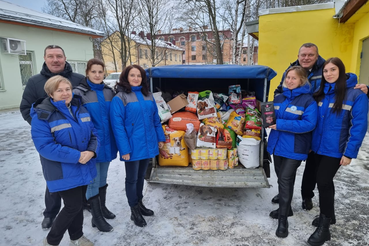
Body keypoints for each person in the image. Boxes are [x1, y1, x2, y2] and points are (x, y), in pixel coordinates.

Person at [272, 43, 368, 212]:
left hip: (324, 136)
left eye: (310, 55)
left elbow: (356, 122)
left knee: (317, 175)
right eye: (303, 55)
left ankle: (312, 203)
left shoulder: (333, 80)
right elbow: (280, 90)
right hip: (310, 135)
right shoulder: (294, 71)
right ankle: (291, 195)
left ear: (317, 56)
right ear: (298, 55)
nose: (306, 58)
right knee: (298, 171)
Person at [19, 45, 85, 230]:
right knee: (55, 177)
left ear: (65, 58)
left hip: (77, 139)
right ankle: (51, 212)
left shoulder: (79, 79)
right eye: (51, 56)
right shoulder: (35, 82)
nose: (55, 60)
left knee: (79, 172)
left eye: (59, 56)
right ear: (45, 58)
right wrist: (44, 131)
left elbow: (85, 104)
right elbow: (26, 109)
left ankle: (79, 205)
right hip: (51, 142)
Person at [307, 57, 368, 246]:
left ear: (341, 71)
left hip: (335, 149)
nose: (329, 74)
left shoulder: (356, 95)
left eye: (333, 70)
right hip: (316, 147)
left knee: (323, 181)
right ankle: (329, 215)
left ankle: (324, 228)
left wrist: (349, 153)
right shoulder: (320, 93)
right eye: (326, 71)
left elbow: (358, 126)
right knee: (324, 182)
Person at [30, 76, 98, 246]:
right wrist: (78, 156)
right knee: (72, 206)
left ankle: (76, 237)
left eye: (67, 89)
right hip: (62, 170)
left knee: (77, 205)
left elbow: (94, 133)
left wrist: (91, 151)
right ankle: (52, 241)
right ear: (50, 93)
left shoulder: (79, 108)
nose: (65, 93)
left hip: (83, 166)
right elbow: (45, 147)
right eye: (59, 90)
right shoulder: (42, 115)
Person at [110, 65, 165, 227]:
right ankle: (134, 210)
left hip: (147, 143)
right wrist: (125, 149)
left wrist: (160, 137)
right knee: (132, 179)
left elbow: (155, 119)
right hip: (132, 146)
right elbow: (117, 126)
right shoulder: (120, 98)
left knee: (142, 177)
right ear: (126, 77)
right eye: (132, 75)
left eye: (139, 76)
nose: (135, 78)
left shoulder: (147, 95)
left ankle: (140, 204)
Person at [267, 66, 317, 238]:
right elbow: (270, 117)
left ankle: (283, 221)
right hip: (277, 145)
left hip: (295, 147)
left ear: (302, 80)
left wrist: (280, 124)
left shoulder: (308, 101)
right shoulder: (280, 97)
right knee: (282, 177)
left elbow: (309, 124)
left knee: (285, 179)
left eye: (293, 78)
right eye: (287, 77)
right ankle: (286, 210)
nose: (289, 81)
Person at [73, 58, 117, 232]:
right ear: (87, 73)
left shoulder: (109, 91)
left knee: (103, 178)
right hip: (91, 144)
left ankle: (102, 208)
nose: (97, 75)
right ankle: (96, 217)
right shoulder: (79, 93)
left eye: (100, 71)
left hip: (108, 142)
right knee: (92, 180)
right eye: (94, 72)